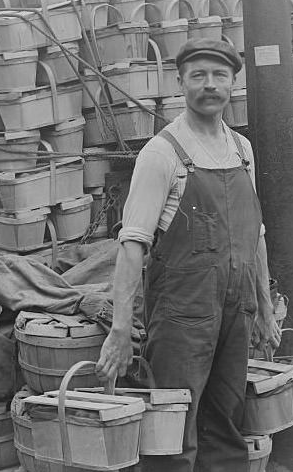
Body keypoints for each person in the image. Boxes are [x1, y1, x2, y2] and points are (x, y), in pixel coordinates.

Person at [96, 38, 280, 472]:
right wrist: (121, 329)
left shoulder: (242, 150)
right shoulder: (162, 154)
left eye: (219, 76)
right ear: (180, 83)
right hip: (182, 317)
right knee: (172, 434)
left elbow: (255, 238)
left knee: (225, 425)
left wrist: (266, 310)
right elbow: (132, 245)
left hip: (236, 313)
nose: (209, 85)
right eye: (198, 76)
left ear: (233, 83)